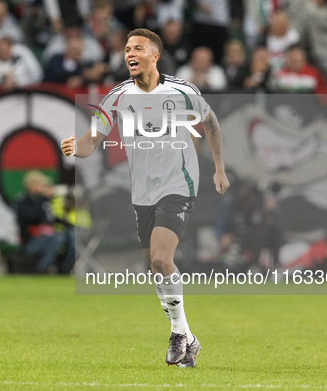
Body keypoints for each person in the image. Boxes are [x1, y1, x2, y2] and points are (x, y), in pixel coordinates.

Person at [61, 28, 230, 368]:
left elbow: (210, 124)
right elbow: (92, 141)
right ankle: (187, 337)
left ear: (155, 55)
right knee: (155, 267)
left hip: (178, 184)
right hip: (142, 192)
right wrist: (74, 147)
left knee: (160, 258)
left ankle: (179, 334)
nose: (129, 53)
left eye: (137, 48)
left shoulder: (182, 92)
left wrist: (219, 170)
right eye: (126, 49)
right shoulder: (117, 97)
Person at [15, 170, 60, 274]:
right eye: (41, 185)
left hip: (48, 236)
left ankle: (66, 269)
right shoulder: (23, 202)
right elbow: (30, 217)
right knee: (54, 239)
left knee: (68, 236)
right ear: (32, 185)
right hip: (30, 241)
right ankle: (42, 268)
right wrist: (43, 200)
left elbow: (53, 218)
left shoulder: (45, 201)